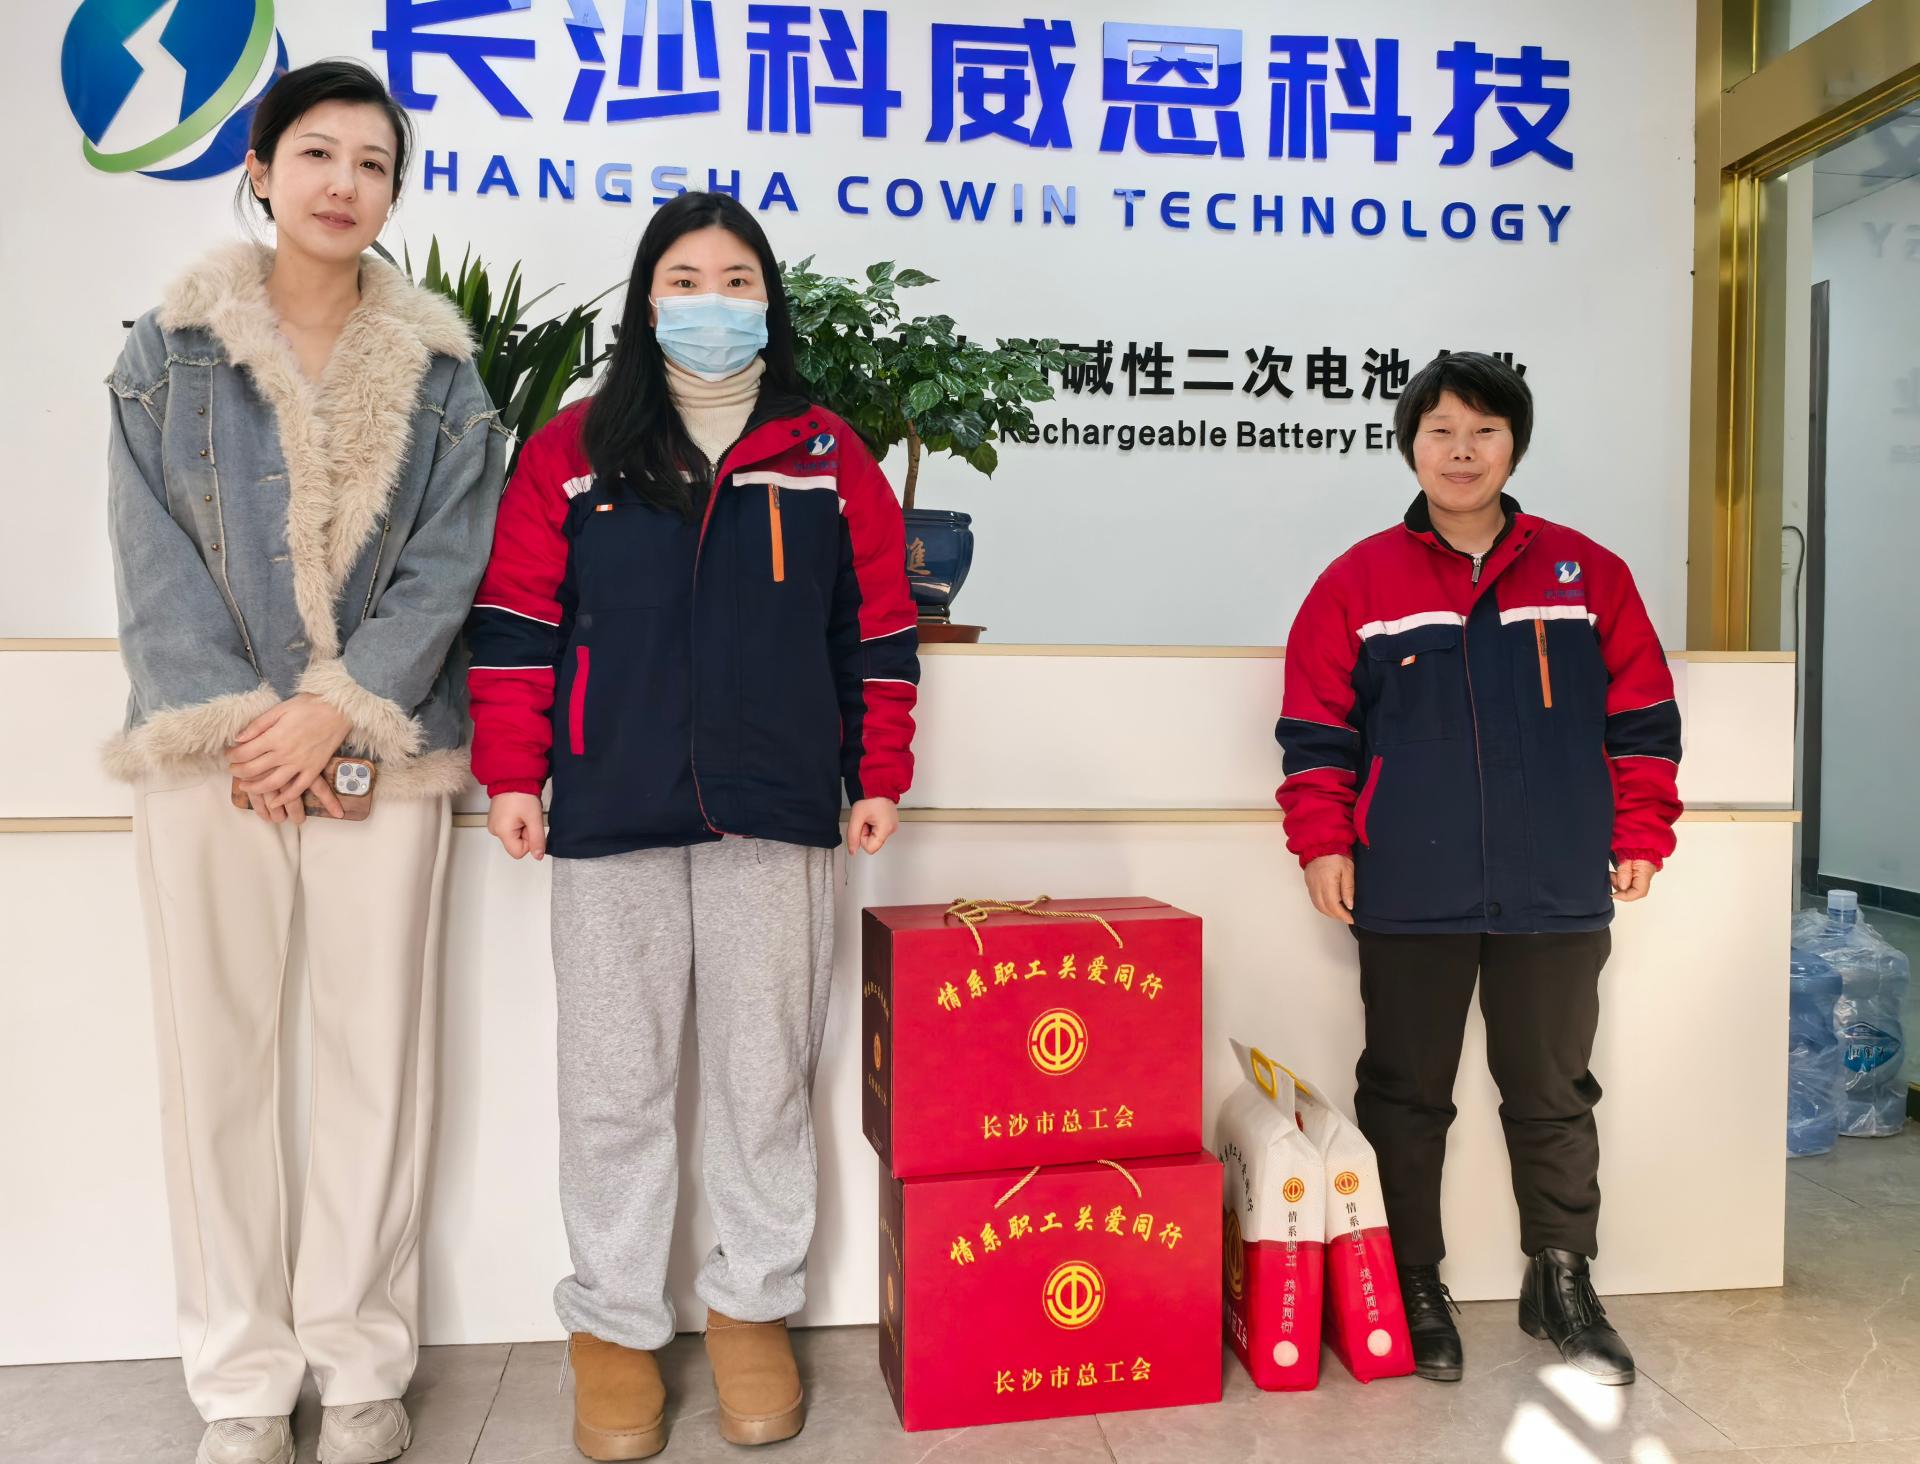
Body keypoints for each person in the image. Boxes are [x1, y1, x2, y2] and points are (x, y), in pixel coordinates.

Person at [465, 191, 919, 1460]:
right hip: (611, 804)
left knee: (763, 1080)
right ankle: (614, 1325)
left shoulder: (826, 455)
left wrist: (878, 770)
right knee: (613, 1085)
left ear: (768, 302)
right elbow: (516, 621)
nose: (710, 303)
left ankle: (750, 1308)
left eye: (735, 281)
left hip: (778, 808)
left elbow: (878, 628)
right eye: (684, 279)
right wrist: (512, 773)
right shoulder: (575, 450)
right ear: (645, 297)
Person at [105, 60, 508, 1464]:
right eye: (319, 153)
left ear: (395, 193)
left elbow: (451, 566)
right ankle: (237, 1381)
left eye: (374, 163)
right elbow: (149, 555)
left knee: (373, 1058)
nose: (345, 182)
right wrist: (248, 722)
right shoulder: (167, 352)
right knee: (213, 1063)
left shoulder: (447, 379)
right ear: (262, 170)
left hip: (380, 756)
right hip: (209, 755)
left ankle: (361, 1366)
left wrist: (340, 706)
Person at [1275, 352, 1681, 1387]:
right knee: (1405, 1096)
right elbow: (1315, 733)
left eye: (1484, 431)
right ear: (1411, 445)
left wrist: (1642, 829)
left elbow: (1643, 717)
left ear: (1515, 446)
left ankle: (1563, 1282)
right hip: (1410, 883)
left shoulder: (1588, 574)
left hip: (1556, 882)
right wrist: (1323, 840)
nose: (1462, 451)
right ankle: (1413, 1286)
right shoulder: (1358, 581)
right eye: (1442, 431)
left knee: (1553, 1094)